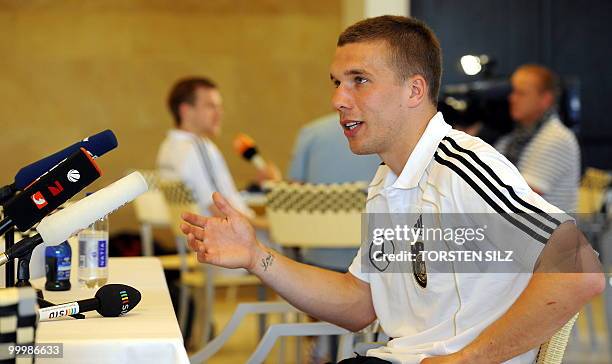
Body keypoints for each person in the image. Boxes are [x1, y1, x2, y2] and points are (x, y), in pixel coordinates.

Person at [180, 16, 603, 364]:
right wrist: (257, 257)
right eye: (336, 82)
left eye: (359, 80)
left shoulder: (461, 167)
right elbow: (359, 303)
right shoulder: (388, 179)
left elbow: (580, 272)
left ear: (414, 90)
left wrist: (468, 359)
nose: (338, 100)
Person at [157, 77, 277, 224]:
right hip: (232, 239)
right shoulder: (197, 147)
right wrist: (270, 225)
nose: (219, 113)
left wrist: (255, 188)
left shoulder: (167, 146)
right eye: (211, 106)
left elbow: (211, 198)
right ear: (186, 111)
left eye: (219, 106)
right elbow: (220, 209)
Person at [289, 112, 380, 272]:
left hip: (319, 255)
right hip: (377, 254)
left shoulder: (311, 132)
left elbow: (295, 194)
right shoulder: (387, 134)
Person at [495, 65, 580, 212]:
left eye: (520, 93)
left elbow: (517, 196)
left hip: (547, 234)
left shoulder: (556, 138)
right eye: (512, 91)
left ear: (545, 100)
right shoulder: (513, 139)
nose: (511, 98)